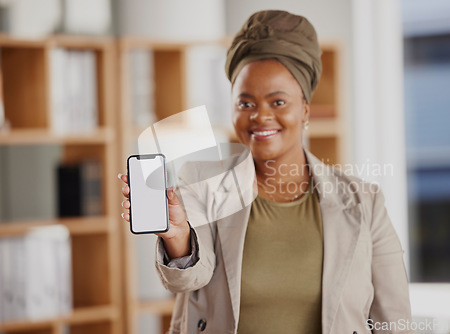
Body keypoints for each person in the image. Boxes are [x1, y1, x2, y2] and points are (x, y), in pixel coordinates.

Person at [119, 10, 413, 334]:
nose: (260, 117)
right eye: (245, 103)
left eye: (277, 102)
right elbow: (189, 278)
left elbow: (394, 320)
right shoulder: (204, 183)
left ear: (304, 109)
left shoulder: (364, 203)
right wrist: (177, 236)